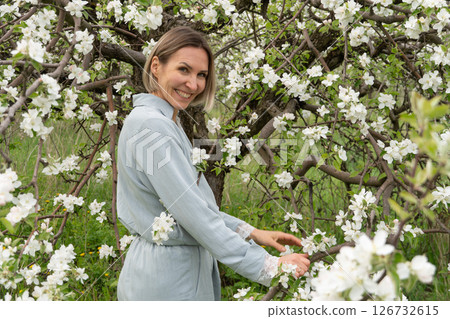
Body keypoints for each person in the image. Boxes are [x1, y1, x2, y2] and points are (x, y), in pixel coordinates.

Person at [116, 26, 310, 301]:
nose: (193, 85)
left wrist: (251, 232)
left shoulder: (161, 121)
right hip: (169, 279)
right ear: (156, 66)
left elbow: (191, 206)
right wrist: (267, 265)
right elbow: (195, 215)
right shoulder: (152, 125)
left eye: (201, 75)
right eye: (184, 70)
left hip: (173, 270)